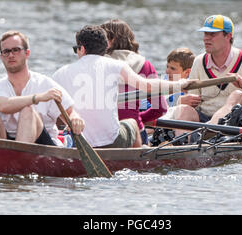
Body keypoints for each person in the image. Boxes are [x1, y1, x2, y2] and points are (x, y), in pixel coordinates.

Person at [52, 25, 194, 148]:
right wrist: (179, 84)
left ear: (82, 49)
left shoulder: (60, 73)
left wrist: (69, 123)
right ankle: (137, 160)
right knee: (132, 123)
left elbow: (51, 109)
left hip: (80, 141)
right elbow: (148, 86)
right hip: (112, 141)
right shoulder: (117, 66)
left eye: (76, 48)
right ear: (105, 46)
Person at [173, 15, 242, 135]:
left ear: (228, 36)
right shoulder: (199, 61)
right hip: (205, 120)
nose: (206, 39)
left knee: (237, 95)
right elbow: (193, 103)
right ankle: (183, 146)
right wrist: (182, 101)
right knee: (183, 109)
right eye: (205, 34)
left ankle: (206, 134)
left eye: (212, 34)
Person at [0, 30, 84, 146]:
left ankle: (16, 158)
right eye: (6, 51)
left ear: (27, 53)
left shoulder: (46, 84)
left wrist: (75, 119)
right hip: (7, 142)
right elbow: (3, 106)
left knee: (28, 112)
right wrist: (38, 98)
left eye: (16, 50)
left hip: (44, 144)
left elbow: (71, 113)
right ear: (1, 57)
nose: (11, 55)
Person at [100, 19, 167, 145]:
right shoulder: (144, 65)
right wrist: (139, 118)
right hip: (134, 132)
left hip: (98, 134)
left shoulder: (95, 63)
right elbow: (160, 108)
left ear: (111, 40)